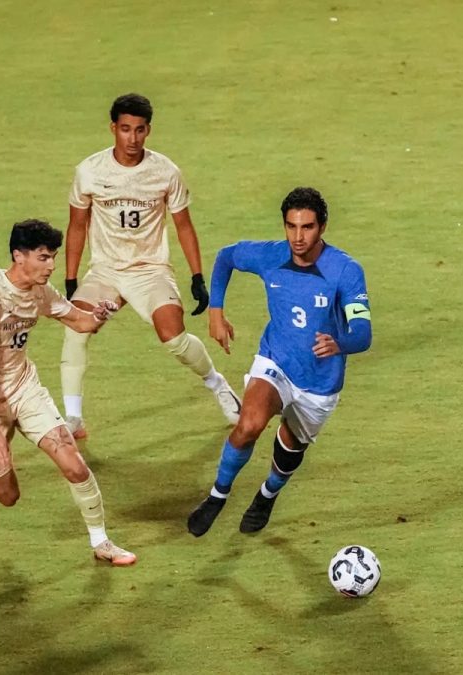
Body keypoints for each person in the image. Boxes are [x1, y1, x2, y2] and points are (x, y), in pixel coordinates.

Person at [0, 218, 136, 565]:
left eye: (53, 258)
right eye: (43, 258)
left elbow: (80, 322)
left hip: (23, 388)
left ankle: (101, 542)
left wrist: (101, 313)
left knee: (72, 461)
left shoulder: (39, 291)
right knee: (8, 496)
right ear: (19, 256)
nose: (51, 266)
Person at [186, 187, 372, 536]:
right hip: (276, 362)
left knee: (288, 449)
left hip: (319, 384)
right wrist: (215, 311)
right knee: (249, 424)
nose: (298, 237)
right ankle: (217, 495)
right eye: (291, 227)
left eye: (307, 228)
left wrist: (340, 342)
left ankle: (267, 495)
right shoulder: (270, 255)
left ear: (323, 227)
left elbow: (363, 332)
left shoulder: (345, 271)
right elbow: (226, 257)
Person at [60, 93, 240, 439]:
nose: (132, 138)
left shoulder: (165, 172)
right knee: (76, 328)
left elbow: (184, 226)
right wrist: (71, 280)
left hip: (150, 269)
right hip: (106, 271)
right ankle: (73, 418)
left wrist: (197, 277)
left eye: (140, 130)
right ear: (113, 128)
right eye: (125, 129)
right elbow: (77, 225)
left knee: (172, 336)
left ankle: (217, 384)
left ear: (148, 131)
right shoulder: (89, 172)